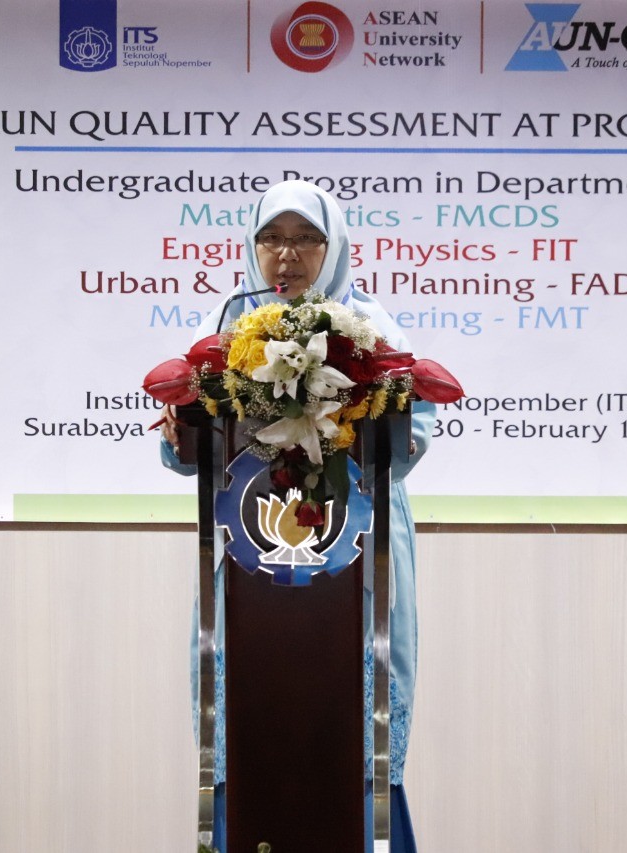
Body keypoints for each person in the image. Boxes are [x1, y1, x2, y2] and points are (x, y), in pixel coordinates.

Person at [160, 180, 436, 853]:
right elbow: (188, 448)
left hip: (355, 550)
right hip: (249, 554)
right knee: (248, 713)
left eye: (307, 238)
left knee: (352, 722)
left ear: (333, 246)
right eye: (273, 238)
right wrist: (177, 431)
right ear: (252, 247)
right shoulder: (226, 326)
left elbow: (412, 435)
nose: (288, 254)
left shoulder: (370, 327)